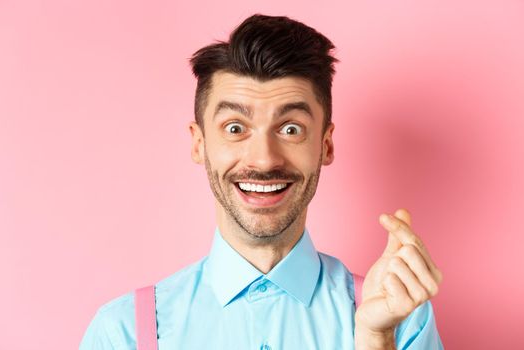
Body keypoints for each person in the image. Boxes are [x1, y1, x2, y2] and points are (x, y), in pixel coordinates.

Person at [79, 13, 444, 350]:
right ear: (199, 143)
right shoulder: (123, 332)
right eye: (235, 128)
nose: (265, 159)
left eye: (290, 129)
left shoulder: (401, 319)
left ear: (325, 145)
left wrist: (376, 339)